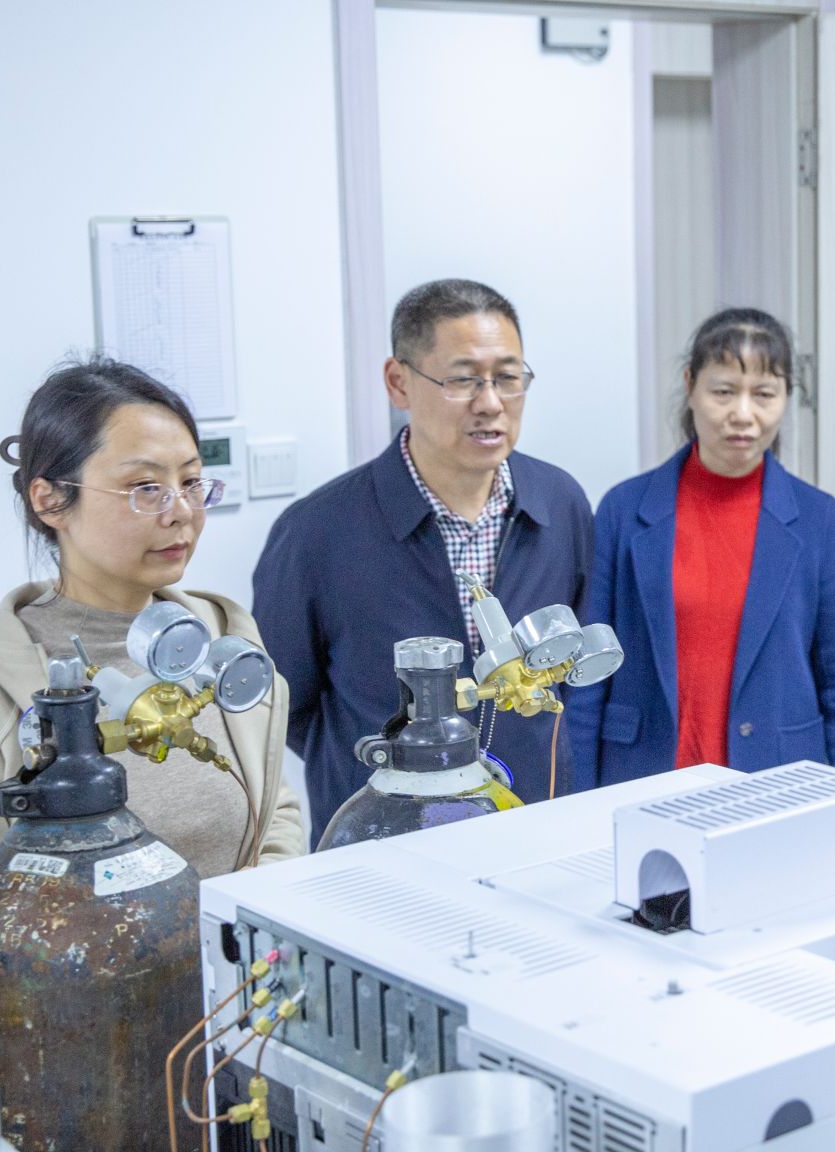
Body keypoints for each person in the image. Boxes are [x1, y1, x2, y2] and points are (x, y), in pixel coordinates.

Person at [0, 358, 304, 965]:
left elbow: (275, 814)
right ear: (50, 499)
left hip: (246, 991)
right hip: (90, 1011)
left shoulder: (223, 635)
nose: (181, 511)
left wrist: (245, 938)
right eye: (145, 488)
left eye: (191, 482)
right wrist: (167, 957)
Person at [253, 279, 592, 836]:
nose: (491, 403)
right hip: (384, 833)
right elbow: (283, 708)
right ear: (399, 382)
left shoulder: (559, 503)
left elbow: (574, 671)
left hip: (532, 819)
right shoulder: (317, 531)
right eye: (462, 379)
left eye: (508, 378)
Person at [566, 308, 835, 788]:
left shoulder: (821, 520)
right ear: (690, 386)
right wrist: (575, 801)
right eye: (724, 391)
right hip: (643, 774)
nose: (743, 414)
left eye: (764, 394)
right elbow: (587, 677)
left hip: (779, 778)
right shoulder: (623, 510)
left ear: (786, 396)